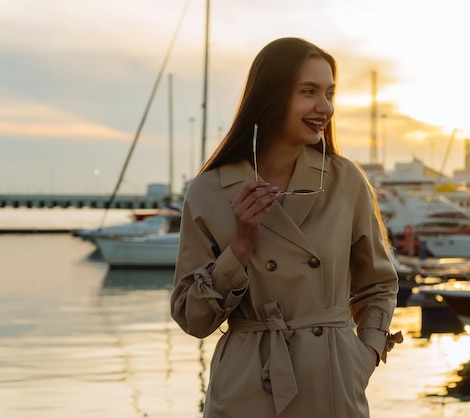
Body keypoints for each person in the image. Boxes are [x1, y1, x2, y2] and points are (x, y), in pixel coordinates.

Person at [171, 37, 402, 418]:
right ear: (271, 95)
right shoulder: (210, 191)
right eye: (308, 92)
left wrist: (364, 357)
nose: (324, 107)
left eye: (329, 93)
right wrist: (241, 246)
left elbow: (378, 283)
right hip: (246, 385)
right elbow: (193, 319)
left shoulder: (345, 181)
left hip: (332, 381)